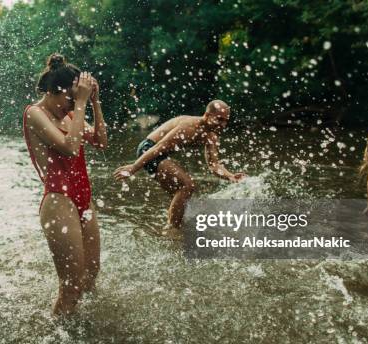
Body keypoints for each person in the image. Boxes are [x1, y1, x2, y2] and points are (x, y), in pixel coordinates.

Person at [22, 53, 107, 315]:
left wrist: (94, 102)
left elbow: (101, 142)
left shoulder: (71, 114)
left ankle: (85, 331)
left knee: (90, 276)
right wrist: (80, 103)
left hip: (84, 197)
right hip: (59, 200)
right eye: (69, 98)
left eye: (75, 98)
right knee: (70, 287)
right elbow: (70, 148)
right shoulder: (35, 113)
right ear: (51, 91)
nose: (71, 104)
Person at [113, 100, 245, 237]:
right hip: (149, 149)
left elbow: (214, 165)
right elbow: (158, 147)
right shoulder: (189, 126)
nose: (223, 124)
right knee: (187, 185)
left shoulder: (211, 135)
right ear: (207, 115)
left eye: (225, 121)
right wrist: (133, 168)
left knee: (182, 199)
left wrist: (230, 176)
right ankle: (172, 230)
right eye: (219, 119)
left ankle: (173, 227)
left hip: (160, 154)